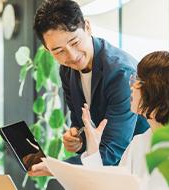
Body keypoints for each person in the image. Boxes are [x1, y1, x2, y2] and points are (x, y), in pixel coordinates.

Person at [33, 0, 149, 165]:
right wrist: (78, 139)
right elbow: (79, 122)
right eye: (59, 51)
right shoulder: (66, 70)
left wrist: (56, 167)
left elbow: (113, 149)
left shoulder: (121, 74)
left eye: (74, 42)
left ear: (87, 27)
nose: (72, 56)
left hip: (138, 165)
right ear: (48, 50)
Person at [80, 51, 169, 189]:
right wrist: (94, 149)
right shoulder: (139, 142)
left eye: (138, 79)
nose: (132, 85)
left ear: (158, 90)